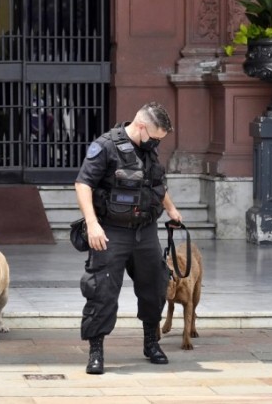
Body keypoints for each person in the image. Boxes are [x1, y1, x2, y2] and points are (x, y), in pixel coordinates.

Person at [74, 102, 182, 375]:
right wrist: (92, 224)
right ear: (142, 127)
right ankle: (96, 351)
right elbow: (83, 184)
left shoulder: (148, 148)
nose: (157, 143)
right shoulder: (105, 146)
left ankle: (151, 342)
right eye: (155, 137)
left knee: (155, 285)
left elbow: (155, 183)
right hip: (111, 231)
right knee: (102, 290)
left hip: (145, 231)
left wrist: (171, 209)